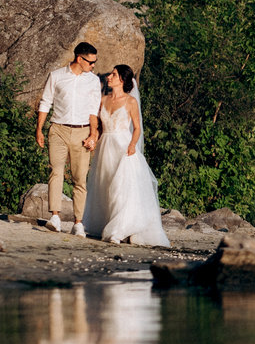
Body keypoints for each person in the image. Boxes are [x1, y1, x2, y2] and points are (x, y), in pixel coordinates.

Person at [82, 64, 170, 247]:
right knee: (105, 185)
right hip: (106, 147)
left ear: (122, 79)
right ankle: (108, 223)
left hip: (123, 147)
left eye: (113, 75)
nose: (109, 77)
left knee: (121, 189)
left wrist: (132, 145)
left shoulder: (131, 102)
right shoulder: (103, 100)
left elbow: (137, 128)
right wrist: (93, 138)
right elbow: (99, 127)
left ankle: (118, 230)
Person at [36, 42, 102, 236]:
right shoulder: (56, 76)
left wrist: (93, 134)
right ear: (79, 59)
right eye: (90, 62)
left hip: (82, 132)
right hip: (58, 130)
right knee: (56, 171)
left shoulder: (93, 81)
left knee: (79, 178)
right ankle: (55, 217)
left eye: (94, 62)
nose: (93, 66)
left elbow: (93, 110)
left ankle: (78, 222)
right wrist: (39, 129)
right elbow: (46, 102)